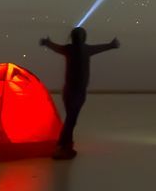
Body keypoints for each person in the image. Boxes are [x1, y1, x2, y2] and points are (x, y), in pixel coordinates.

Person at [40, 26, 119, 159]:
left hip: (69, 91)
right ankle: (62, 146)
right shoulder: (85, 49)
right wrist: (111, 45)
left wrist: (47, 43)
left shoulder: (70, 49)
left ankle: (66, 145)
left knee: (71, 119)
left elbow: (56, 47)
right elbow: (100, 48)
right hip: (77, 92)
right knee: (71, 120)